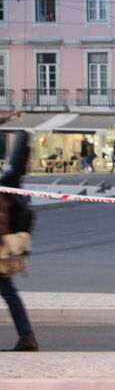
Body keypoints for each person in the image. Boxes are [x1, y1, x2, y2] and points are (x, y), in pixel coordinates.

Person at [0, 131, 38, 352]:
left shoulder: (5, 188)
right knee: (9, 292)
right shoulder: (8, 185)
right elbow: (17, 162)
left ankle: (27, 336)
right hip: (5, 247)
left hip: (3, 247)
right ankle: (26, 336)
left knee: (9, 292)